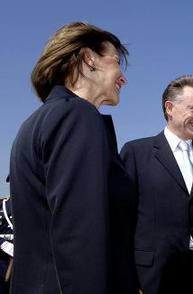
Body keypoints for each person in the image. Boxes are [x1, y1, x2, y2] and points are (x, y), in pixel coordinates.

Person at [8, 22, 137, 293]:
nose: (123, 78)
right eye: (116, 62)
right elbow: (81, 237)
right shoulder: (77, 116)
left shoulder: (36, 122)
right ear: (90, 58)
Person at [120, 75, 193, 294]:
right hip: (153, 276)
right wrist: (128, 278)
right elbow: (122, 221)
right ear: (170, 108)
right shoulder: (136, 153)